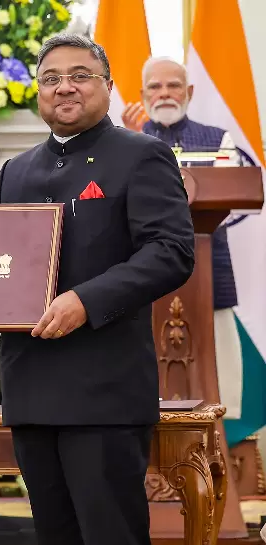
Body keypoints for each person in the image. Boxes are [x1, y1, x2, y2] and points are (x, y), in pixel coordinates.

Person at [0, 34, 194, 545]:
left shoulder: (141, 155)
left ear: (107, 86)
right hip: (32, 389)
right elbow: (5, 266)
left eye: (80, 75)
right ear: (38, 91)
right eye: (51, 78)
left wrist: (86, 300)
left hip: (103, 392)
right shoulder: (17, 170)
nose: (65, 87)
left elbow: (172, 252)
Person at [122, 55, 244, 420]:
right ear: (143, 94)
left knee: (216, 375)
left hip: (208, 270)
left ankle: (217, 439)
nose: (164, 93)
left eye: (173, 85)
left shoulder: (217, 139)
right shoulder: (125, 141)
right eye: (155, 86)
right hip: (144, 274)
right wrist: (133, 137)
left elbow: (231, 202)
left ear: (188, 91)